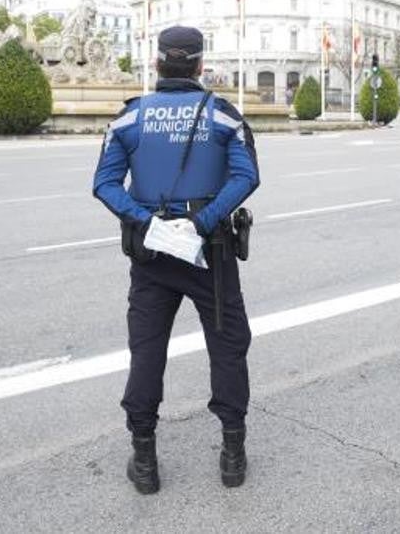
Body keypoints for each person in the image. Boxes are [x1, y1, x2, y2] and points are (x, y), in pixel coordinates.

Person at [92, 25, 260, 495]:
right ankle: (232, 456)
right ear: (201, 65)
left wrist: (148, 224)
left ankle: (144, 461)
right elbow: (247, 177)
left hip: (151, 254)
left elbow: (103, 185)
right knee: (228, 348)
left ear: (157, 63)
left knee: (147, 352)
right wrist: (201, 223)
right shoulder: (224, 116)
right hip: (212, 252)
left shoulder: (129, 119)